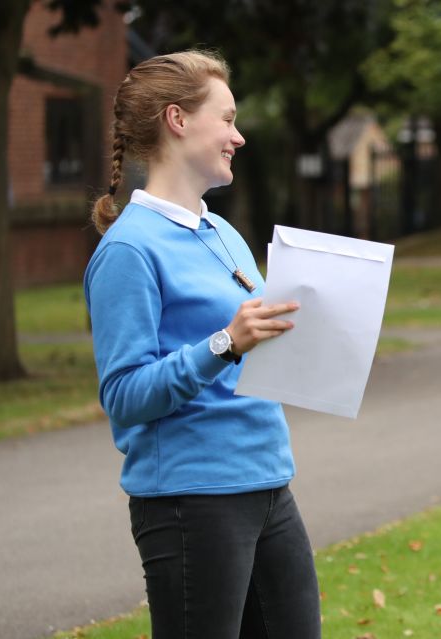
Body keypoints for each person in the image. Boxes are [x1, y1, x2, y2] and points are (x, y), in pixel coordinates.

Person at [84, 50, 321, 638]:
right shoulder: (128, 251)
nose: (238, 136)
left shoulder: (222, 232)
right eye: (228, 119)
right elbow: (124, 394)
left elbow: (252, 340)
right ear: (178, 120)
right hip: (192, 499)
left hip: (267, 480)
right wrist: (225, 343)